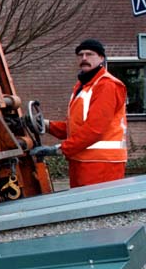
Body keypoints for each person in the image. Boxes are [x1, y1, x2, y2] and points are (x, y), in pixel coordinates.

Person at [31, 39, 127, 188]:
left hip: (101, 164)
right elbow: (76, 128)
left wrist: (60, 149)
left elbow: (95, 129)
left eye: (89, 54)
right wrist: (47, 125)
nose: (84, 58)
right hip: (83, 161)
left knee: (94, 208)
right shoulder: (82, 86)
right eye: (80, 55)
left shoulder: (107, 85)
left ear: (101, 58)